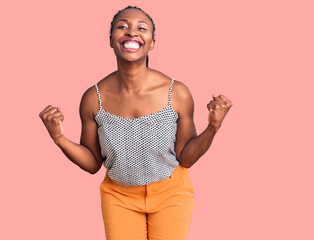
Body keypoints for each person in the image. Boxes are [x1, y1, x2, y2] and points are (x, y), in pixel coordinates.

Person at [39, 5, 233, 240]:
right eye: (123, 27)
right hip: (119, 196)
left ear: (151, 43)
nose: (132, 32)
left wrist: (213, 127)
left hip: (171, 193)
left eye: (141, 28)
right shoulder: (93, 98)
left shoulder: (177, 92)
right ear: (111, 40)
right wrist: (60, 139)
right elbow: (92, 164)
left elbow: (186, 158)